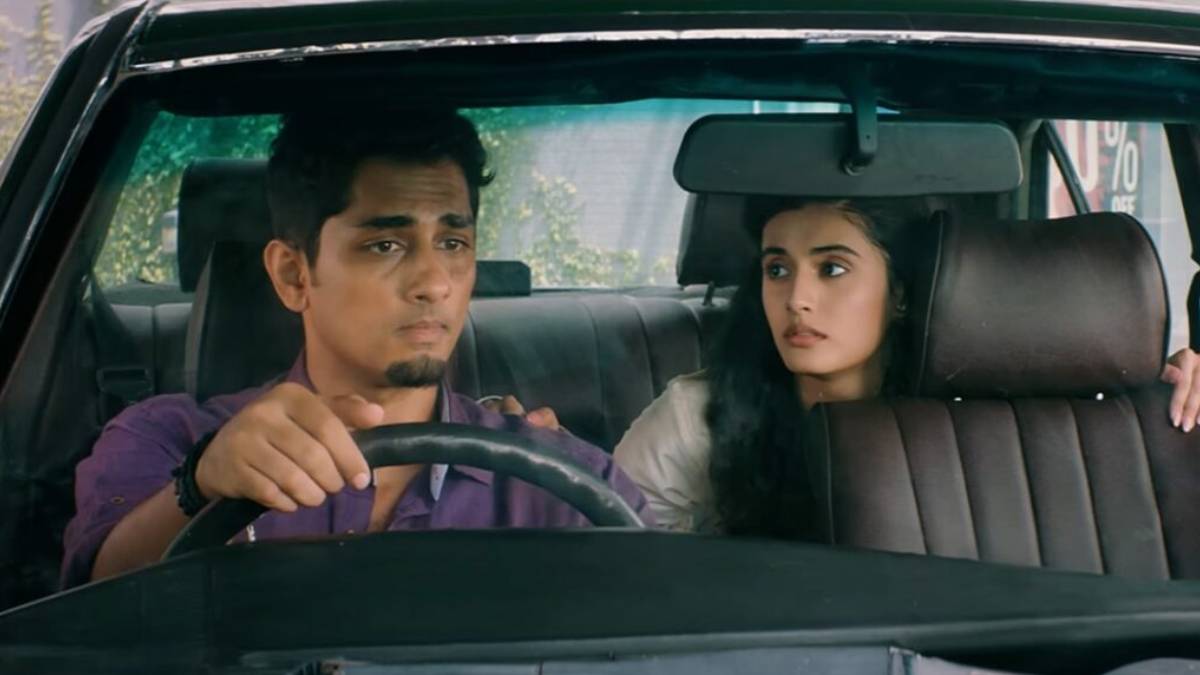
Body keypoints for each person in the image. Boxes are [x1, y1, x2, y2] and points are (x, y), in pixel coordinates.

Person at [60, 109, 651, 588]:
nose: (435, 283)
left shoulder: (564, 484)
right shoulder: (167, 441)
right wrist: (199, 486)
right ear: (294, 275)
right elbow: (86, 615)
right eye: (386, 244)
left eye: (453, 242)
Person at [509, 198, 1200, 534]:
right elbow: (612, 553)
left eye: (832, 268)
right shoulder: (702, 416)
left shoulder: (991, 417)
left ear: (899, 293)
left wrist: (1178, 392)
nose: (797, 299)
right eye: (777, 269)